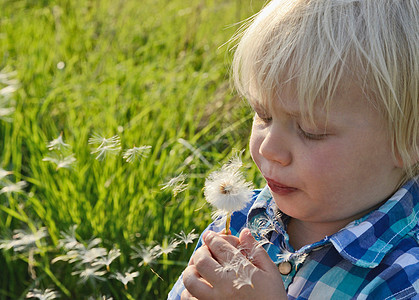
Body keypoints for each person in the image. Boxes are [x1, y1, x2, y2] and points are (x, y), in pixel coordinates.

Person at [169, 0, 419, 298]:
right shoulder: (242, 220)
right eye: (263, 115)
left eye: (312, 131)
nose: (269, 148)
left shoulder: (405, 277)